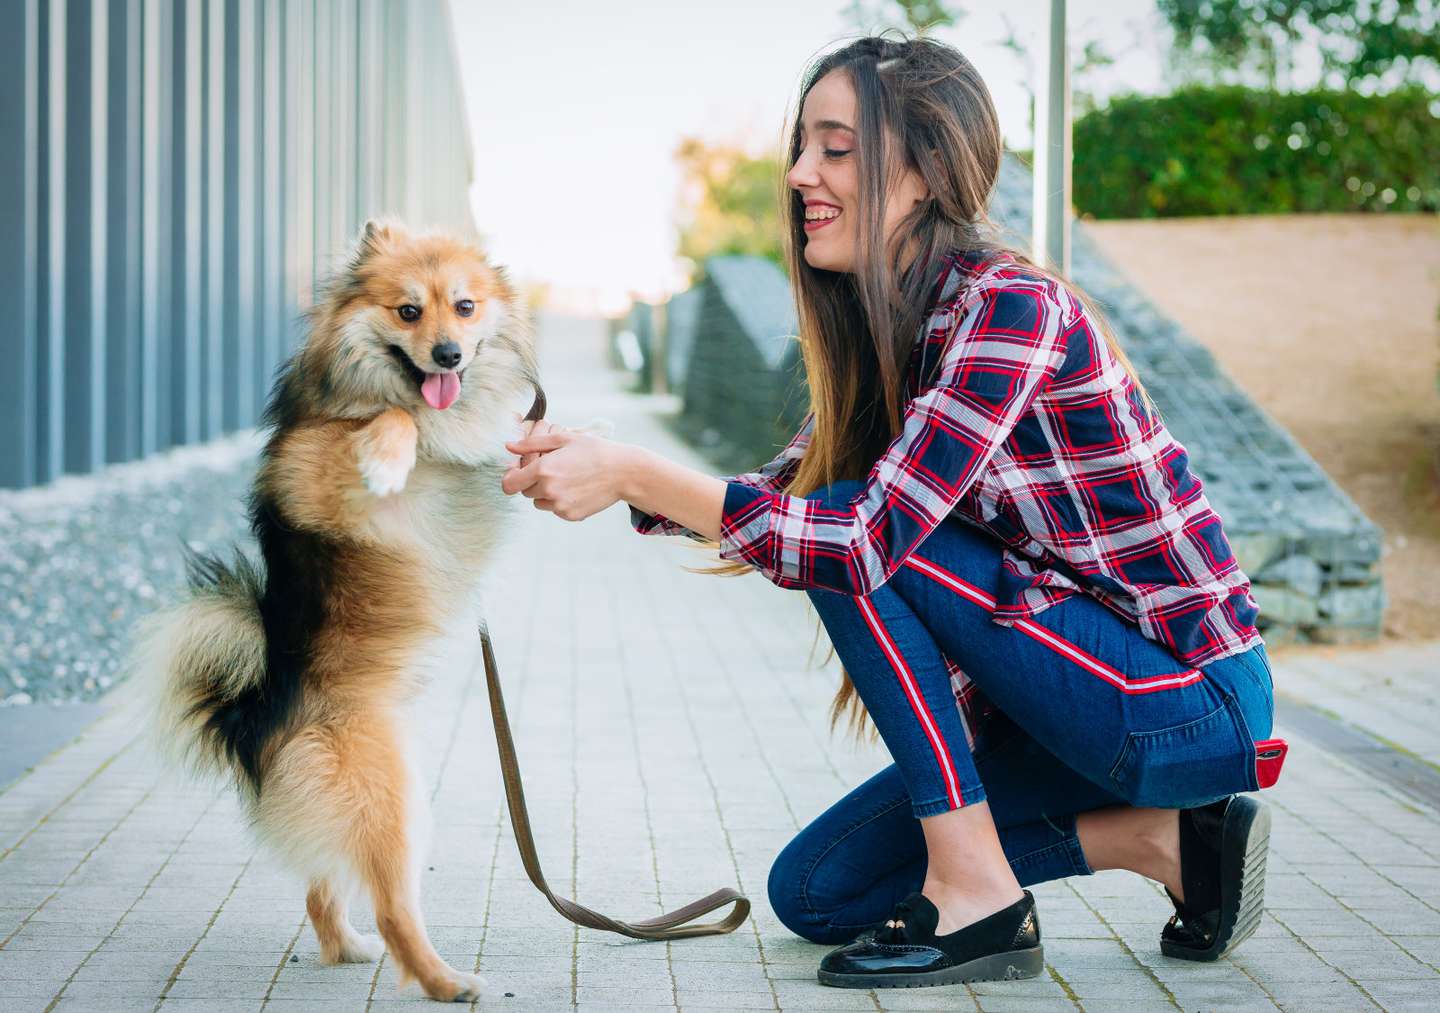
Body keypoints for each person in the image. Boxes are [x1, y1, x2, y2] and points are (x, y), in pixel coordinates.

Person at [500, 35, 1285, 990]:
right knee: (818, 894)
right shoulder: (900, 329)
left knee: (857, 540)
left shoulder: (1012, 310)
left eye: (834, 148)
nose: (798, 174)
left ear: (921, 172)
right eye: (804, 147)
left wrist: (632, 473)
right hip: (1068, 705)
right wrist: (598, 460)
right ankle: (1168, 841)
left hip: (1189, 701)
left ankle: (980, 895)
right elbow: (778, 498)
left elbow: (861, 539)